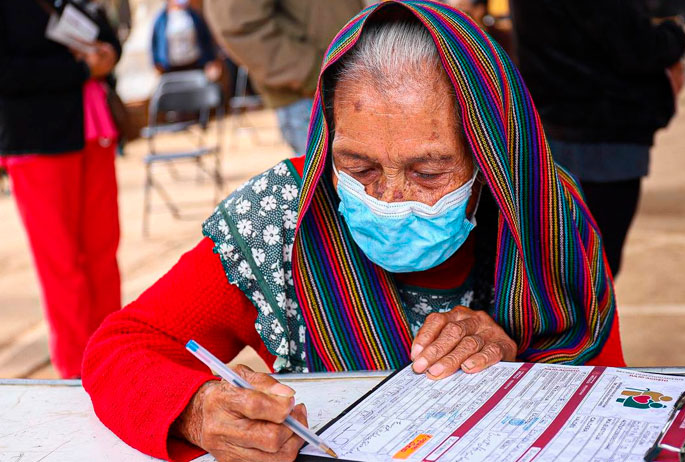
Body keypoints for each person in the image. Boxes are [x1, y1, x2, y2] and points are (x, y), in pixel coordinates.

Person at [82, 2, 623, 460]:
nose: (388, 198)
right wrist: (198, 411)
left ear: (491, 157)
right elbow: (121, 346)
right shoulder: (280, 218)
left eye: (428, 173)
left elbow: (612, 409)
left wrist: (515, 367)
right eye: (359, 169)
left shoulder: (547, 218)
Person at [510, 0, 685, 277]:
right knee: (594, 273)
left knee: (560, 269)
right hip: (605, 137)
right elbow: (635, 46)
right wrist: (675, 35)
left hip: (552, 131)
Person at [0, 0, 122, 378]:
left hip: (91, 130)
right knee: (62, 266)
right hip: (36, 141)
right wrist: (82, 68)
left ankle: (117, 357)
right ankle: (76, 371)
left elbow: (107, 34)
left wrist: (108, 53)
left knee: (104, 252)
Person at [201, 0, 363, 156]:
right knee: (333, 180)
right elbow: (237, 25)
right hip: (311, 96)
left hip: (354, 84)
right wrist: (314, 72)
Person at [151, 0, 220, 80]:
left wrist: (211, 61)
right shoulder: (161, 20)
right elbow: (154, 44)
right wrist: (157, 65)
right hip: (171, 68)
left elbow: (206, 39)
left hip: (194, 64)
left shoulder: (194, 15)